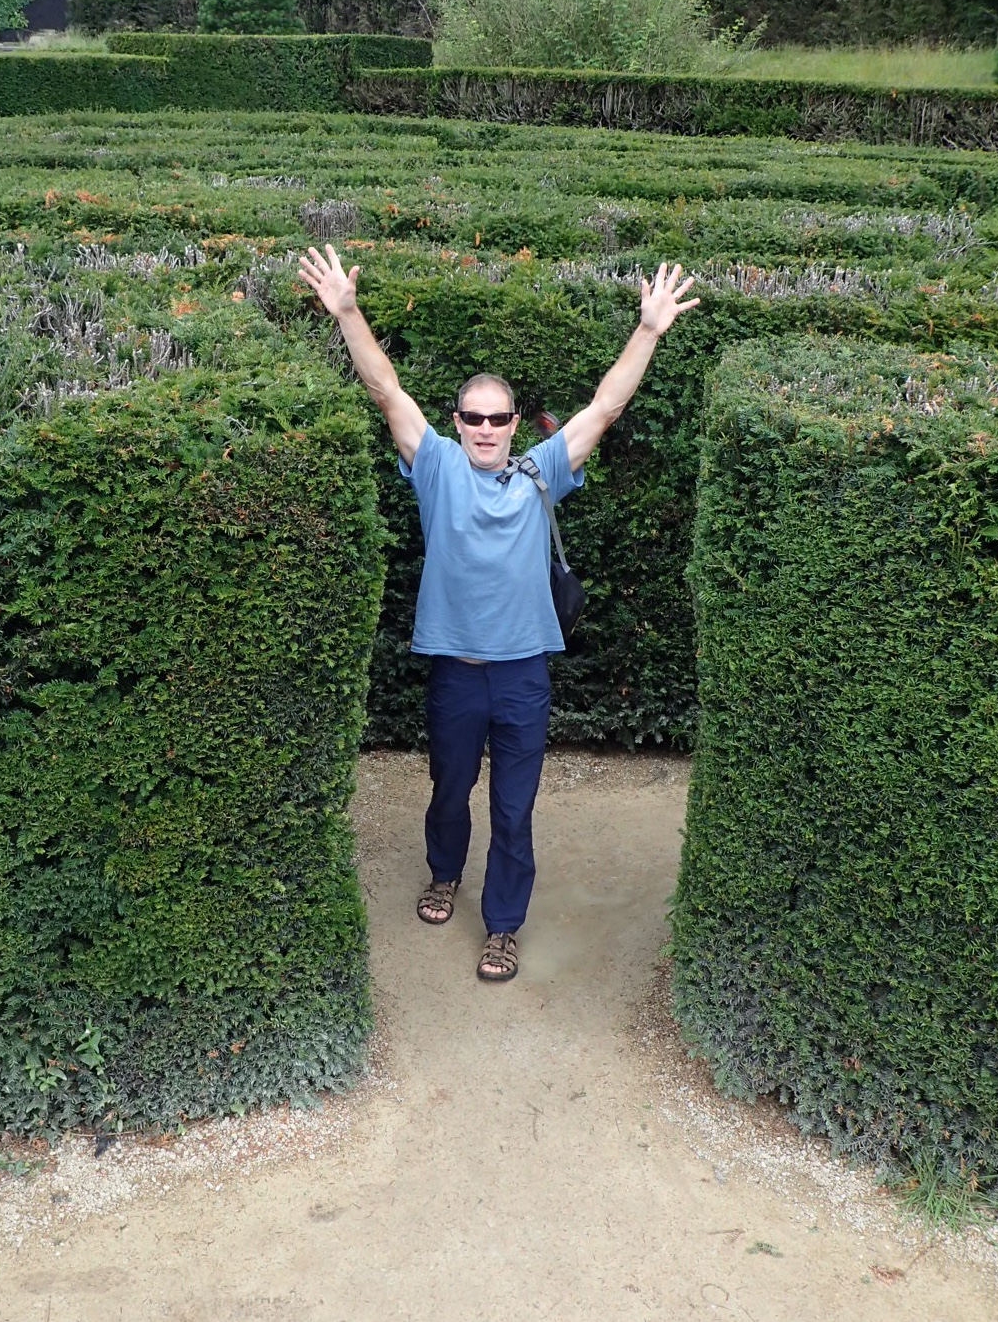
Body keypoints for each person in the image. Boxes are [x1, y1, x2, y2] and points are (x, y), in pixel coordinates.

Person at [298, 244, 698, 983]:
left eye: (498, 418)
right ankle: (443, 872)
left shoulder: (542, 472)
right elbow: (386, 390)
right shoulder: (436, 466)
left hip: (522, 679)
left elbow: (605, 407)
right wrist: (347, 313)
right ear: (456, 422)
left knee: (514, 810)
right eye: (473, 417)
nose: (485, 428)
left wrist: (648, 329)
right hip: (455, 675)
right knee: (449, 791)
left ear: (516, 423)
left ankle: (504, 926)